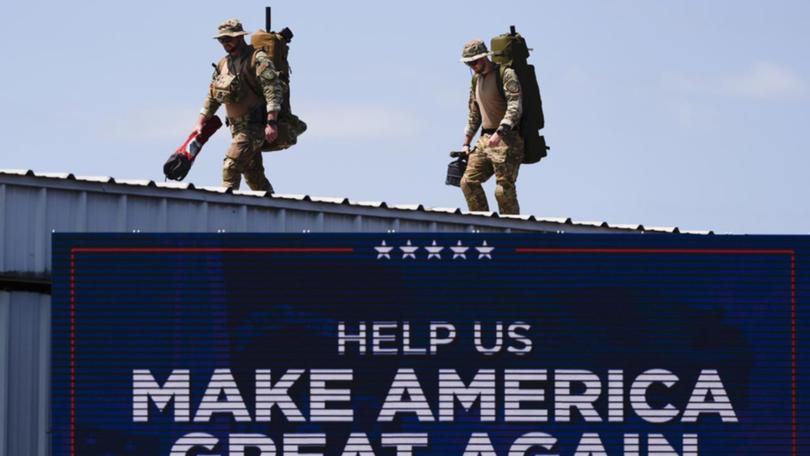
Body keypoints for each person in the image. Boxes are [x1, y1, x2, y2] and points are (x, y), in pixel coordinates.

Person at [193, 19, 283, 192]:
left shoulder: (257, 59)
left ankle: (228, 211)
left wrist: (271, 123)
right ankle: (272, 210)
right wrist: (200, 122)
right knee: (254, 176)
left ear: (240, 37)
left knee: (231, 167)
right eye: (222, 40)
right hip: (236, 129)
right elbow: (213, 96)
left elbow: (272, 90)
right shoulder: (223, 64)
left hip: (254, 127)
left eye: (229, 39)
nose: (225, 44)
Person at [459, 39, 524, 215]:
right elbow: (474, 114)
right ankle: (483, 224)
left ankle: (511, 230)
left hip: (507, 138)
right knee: (468, 182)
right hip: (485, 140)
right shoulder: (475, 81)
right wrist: (466, 142)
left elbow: (515, 106)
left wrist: (501, 132)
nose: (473, 66)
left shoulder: (505, 74)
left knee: (502, 190)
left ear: (484, 57)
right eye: (469, 63)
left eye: (475, 61)